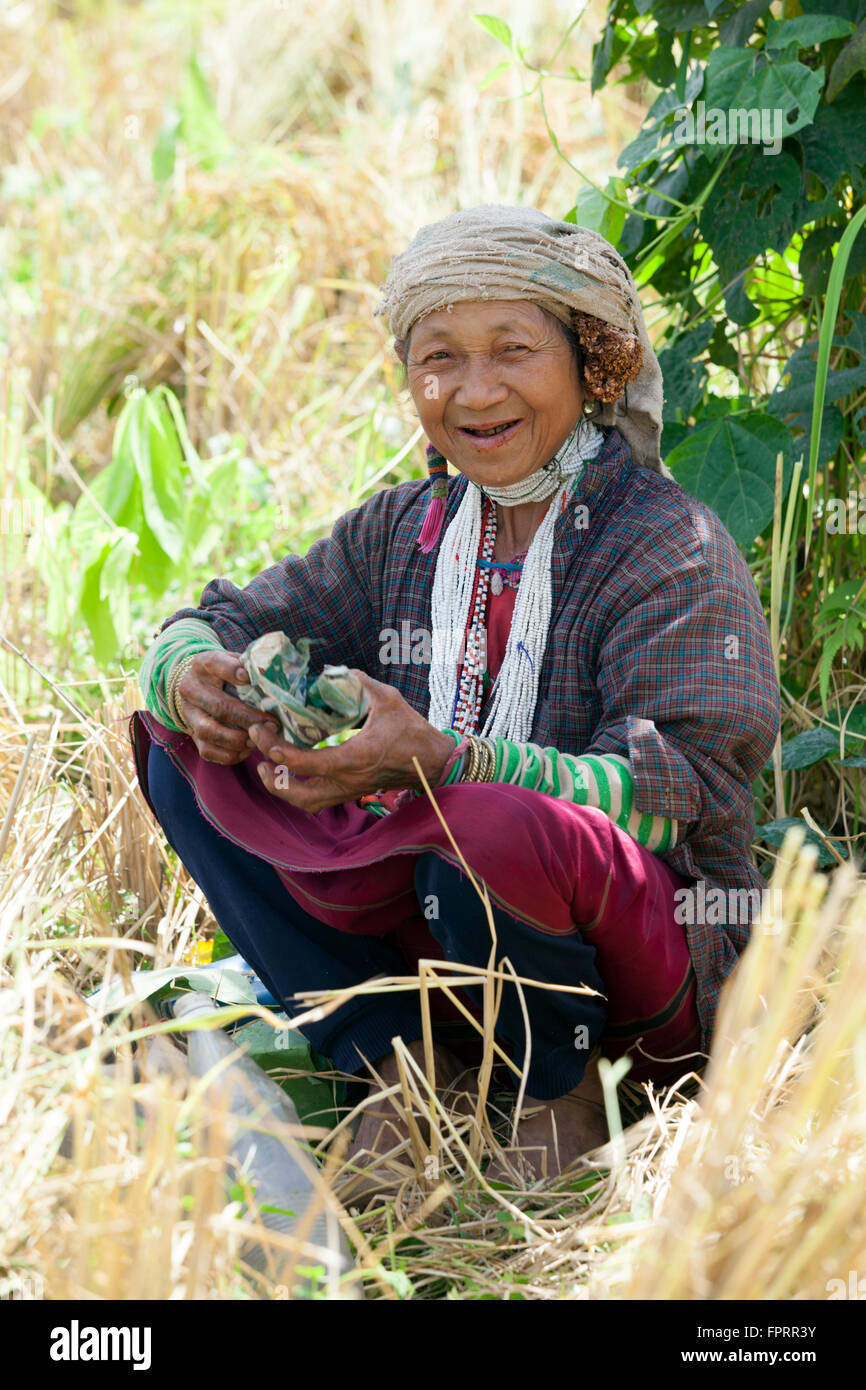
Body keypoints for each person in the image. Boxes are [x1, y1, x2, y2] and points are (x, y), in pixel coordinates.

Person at [131, 204, 780, 1190]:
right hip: (441, 936)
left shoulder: (666, 548)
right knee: (180, 748)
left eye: (512, 350)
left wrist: (449, 765)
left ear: (593, 364)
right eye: (438, 358)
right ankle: (395, 1057)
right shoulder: (407, 529)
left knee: (479, 819)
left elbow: (668, 797)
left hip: (638, 973)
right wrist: (192, 678)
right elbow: (212, 618)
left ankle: (555, 1094)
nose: (473, 392)